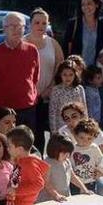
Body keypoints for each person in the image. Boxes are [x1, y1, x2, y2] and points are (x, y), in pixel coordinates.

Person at [0, 12, 41, 151]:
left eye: (19, 26)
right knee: (5, 149)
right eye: (11, 26)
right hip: (3, 112)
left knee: (27, 148)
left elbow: (35, 78)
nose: (16, 29)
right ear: (4, 29)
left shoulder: (32, 50)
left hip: (27, 109)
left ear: (24, 28)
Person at [25, 8, 64, 142]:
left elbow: (60, 68)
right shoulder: (22, 43)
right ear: (30, 24)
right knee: (31, 134)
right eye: (37, 23)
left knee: (49, 135)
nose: (41, 26)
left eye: (44, 23)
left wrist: (50, 89)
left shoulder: (53, 43)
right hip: (27, 99)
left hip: (49, 96)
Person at [5, 126, 49, 205]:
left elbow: (39, 184)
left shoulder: (29, 164)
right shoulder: (21, 161)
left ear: (20, 149)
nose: (7, 149)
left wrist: (16, 191)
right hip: (15, 201)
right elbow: (16, 178)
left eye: (9, 146)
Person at [64, 0, 103, 66]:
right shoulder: (73, 24)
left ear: (97, 4)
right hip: (77, 69)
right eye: (83, 4)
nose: (86, 7)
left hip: (97, 70)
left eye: (89, 4)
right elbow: (66, 48)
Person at [40, 133, 91, 202]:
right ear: (54, 150)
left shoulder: (67, 162)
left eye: (69, 153)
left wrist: (84, 189)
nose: (67, 155)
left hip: (65, 197)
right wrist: (56, 195)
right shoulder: (48, 163)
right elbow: (46, 183)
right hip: (49, 199)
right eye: (64, 153)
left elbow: (73, 177)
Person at [69, 119, 103, 196]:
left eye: (89, 138)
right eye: (81, 138)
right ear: (75, 135)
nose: (85, 141)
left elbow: (101, 160)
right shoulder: (72, 149)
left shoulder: (94, 148)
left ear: (94, 138)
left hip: (90, 181)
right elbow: (68, 164)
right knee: (76, 201)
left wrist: (100, 170)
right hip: (75, 182)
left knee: (89, 199)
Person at [48, 60, 87, 132]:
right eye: (64, 75)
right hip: (61, 127)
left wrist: (85, 128)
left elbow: (84, 110)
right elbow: (52, 113)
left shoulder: (79, 89)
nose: (68, 78)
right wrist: (54, 132)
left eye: (71, 74)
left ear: (75, 75)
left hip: (77, 127)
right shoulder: (56, 90)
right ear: (60, 75)